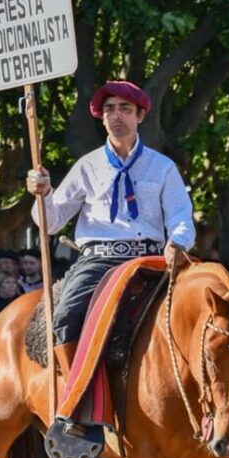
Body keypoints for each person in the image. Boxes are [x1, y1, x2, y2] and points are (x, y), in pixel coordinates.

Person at [26, 80, 195, 377]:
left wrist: (177, 242)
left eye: (125, 109)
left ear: (139, 116)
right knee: (64, 317)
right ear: (102, 118)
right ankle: (75, 401)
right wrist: (44, 193)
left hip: (151, 259)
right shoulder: (86, 166)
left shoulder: (163, 167)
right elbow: (51, 223)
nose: (117, 115)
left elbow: (181, 214)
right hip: (98, 261)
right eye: (109, 109)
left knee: (203, 310)